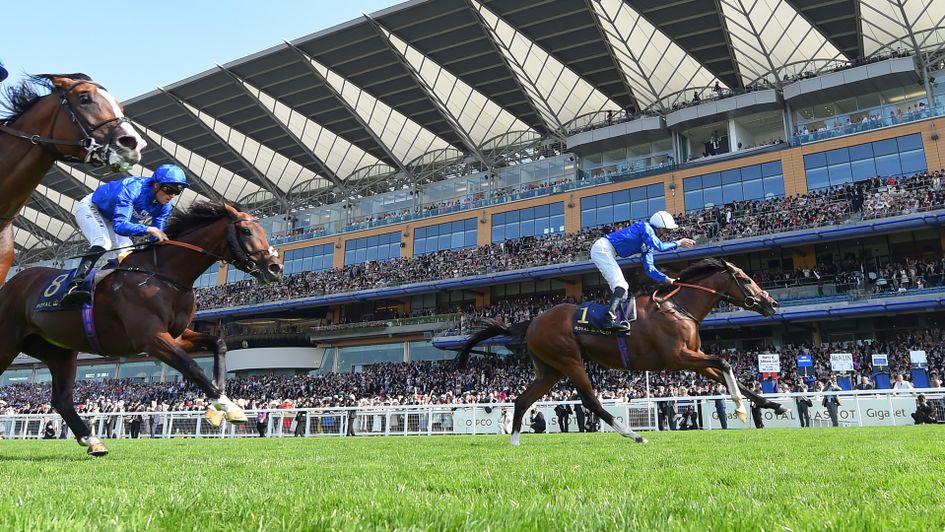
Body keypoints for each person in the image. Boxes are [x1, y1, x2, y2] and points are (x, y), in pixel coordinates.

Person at [61, 164, 189, 304]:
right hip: (93, 208)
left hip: (112, 219)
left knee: (128, 254)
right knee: (103, 242)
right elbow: (120, 226)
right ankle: (74, 285)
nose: (171, 195)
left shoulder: (165, 206)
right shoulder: (133, 189)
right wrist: (148, 229)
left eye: (177, 192)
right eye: (169, 189)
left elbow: (155, 238)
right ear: (156, 185)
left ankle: (100, 285)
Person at [590, 211, 695, 330]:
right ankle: (607, 319)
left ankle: (616, 320)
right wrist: (679, 243)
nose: (667, 234)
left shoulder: (648, 245)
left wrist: (667, 279)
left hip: (608, 251)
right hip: (603, 249)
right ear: (659, 228)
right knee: (621, 285)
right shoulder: (645, 227)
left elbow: (649, 269)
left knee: (623, 292)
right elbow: (660, 247)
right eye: (667, 230)